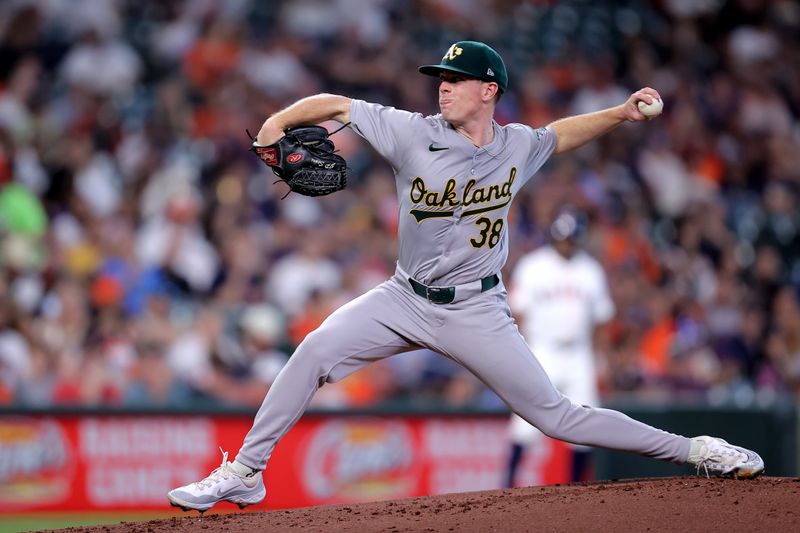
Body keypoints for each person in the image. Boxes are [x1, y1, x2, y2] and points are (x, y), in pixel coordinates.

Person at [167, 41, 764, 512]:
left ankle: (697, 450)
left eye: (453, 80)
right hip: (403, 296)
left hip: (476, 309)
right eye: (440, 80)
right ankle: (246, 471)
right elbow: (334, 105)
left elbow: (559, 136)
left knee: (555, 417)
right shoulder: (413, 131)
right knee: (315, 348)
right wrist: (274, 126)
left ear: (488, 91)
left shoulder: (516, 146)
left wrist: (619, 113)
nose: (443, 88)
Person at [504, 206, 613, 487]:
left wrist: (602, 360)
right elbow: (517, 314)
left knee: (587, 422)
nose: (565, 243)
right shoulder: (533, 265)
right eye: (560, 238)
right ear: (552, 237)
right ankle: (506, 487)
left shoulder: (591, 270)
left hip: (579, 354)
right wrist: (519, 355)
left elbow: (601, 320)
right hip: (542, 351)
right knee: (525, 423)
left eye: (570, 238)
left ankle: (576, 489)